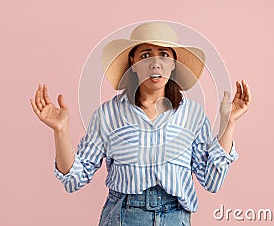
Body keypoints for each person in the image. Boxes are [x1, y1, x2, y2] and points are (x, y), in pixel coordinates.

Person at [30, 22, 251, 225]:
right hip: (123, 216)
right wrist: (61, 130)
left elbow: (212, 181)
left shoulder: (192, 114)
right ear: (133, 64)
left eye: (164, 55)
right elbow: (74, 179)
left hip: (176, 217)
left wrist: (228, 123)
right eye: (146, 55)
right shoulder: (109, 114)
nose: (155, 63)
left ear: (173, 64)